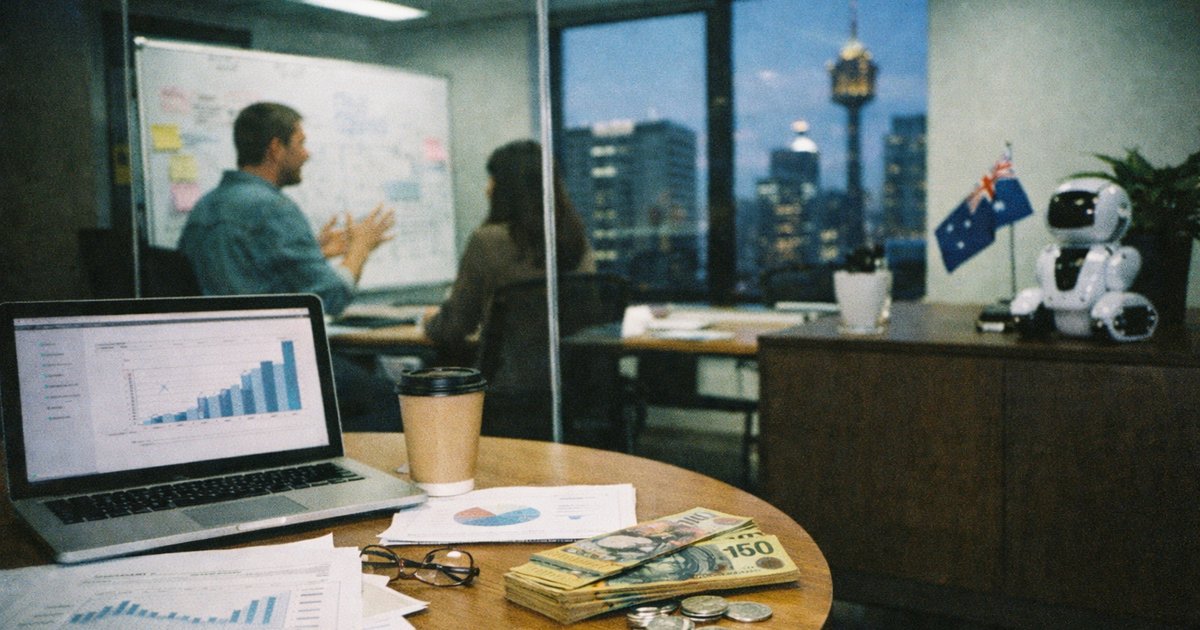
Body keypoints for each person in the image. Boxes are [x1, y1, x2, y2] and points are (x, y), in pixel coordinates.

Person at [178, 101, 399, 430]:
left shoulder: (207, 206)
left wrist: (316, 253)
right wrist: (360, 248)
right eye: (301, 143)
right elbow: (333, 297)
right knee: (393, 399)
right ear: (276, 148)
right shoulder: (272, 208)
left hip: (217, 369)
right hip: (272, 369)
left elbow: (241, 275)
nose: (307, 154)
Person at [422, 139, 595, 371]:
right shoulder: (576, 240)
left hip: (508, 382)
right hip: (574, 381)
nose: (487, 189)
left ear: (508, 188)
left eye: (492, 179)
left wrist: (429, 321)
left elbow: (454, 327)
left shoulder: (488, 242)